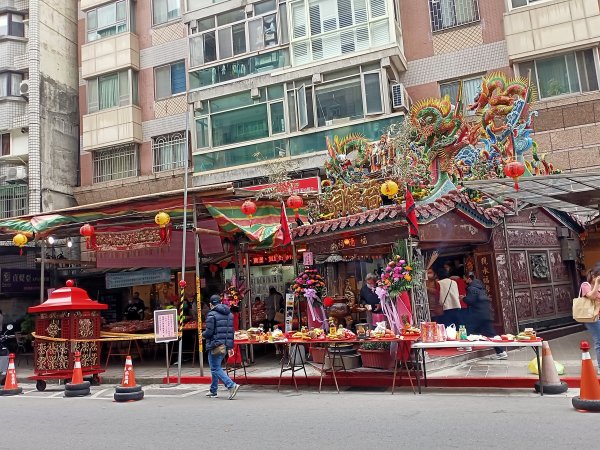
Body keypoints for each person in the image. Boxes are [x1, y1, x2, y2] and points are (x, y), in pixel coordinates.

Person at [202, 295, 240, 399]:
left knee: (215, 368)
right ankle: (213, 390)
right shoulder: (229, 314)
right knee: (216, 367)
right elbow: (230, 330)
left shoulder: (211, 315)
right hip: (225, 344)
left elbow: (209, 332)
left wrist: (203, 334)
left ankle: (231, 385)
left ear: (211, 304)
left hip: (215, 344)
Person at [464, 273, 507, 360]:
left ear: (469, 279)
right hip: (486, 314)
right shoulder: (481, 289)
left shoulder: (471, 288)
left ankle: (467, 345)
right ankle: (501, 352)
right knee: (491, 334)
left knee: (468, 328)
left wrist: (463, 298)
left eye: (465, 279)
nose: (465, 281)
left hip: (477, 314)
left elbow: (470, 300)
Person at [580, 267, 600, 373]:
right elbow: (591, 296)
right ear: (593, 276)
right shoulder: (585, 285)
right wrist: (596, 283)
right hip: (591, 317)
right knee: (599, 340)